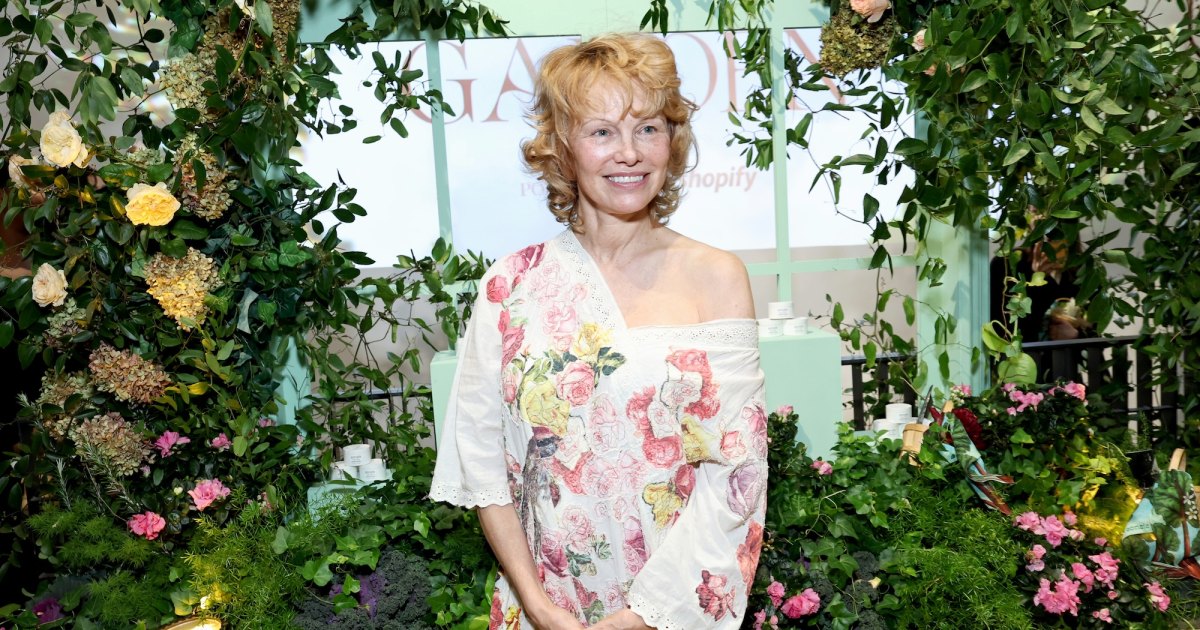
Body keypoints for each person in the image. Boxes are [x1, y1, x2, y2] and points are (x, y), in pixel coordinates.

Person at [430, 34, 768, 629]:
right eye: (602, 131)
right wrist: (538, 606)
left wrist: (639, 618)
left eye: (648, 128)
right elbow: (482, 463)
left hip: (671, 610)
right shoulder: (510, 286)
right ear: (562, 148)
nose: (629, 153)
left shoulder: (716, 277)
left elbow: (735, 474)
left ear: (672, 141)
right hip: (542, 609)